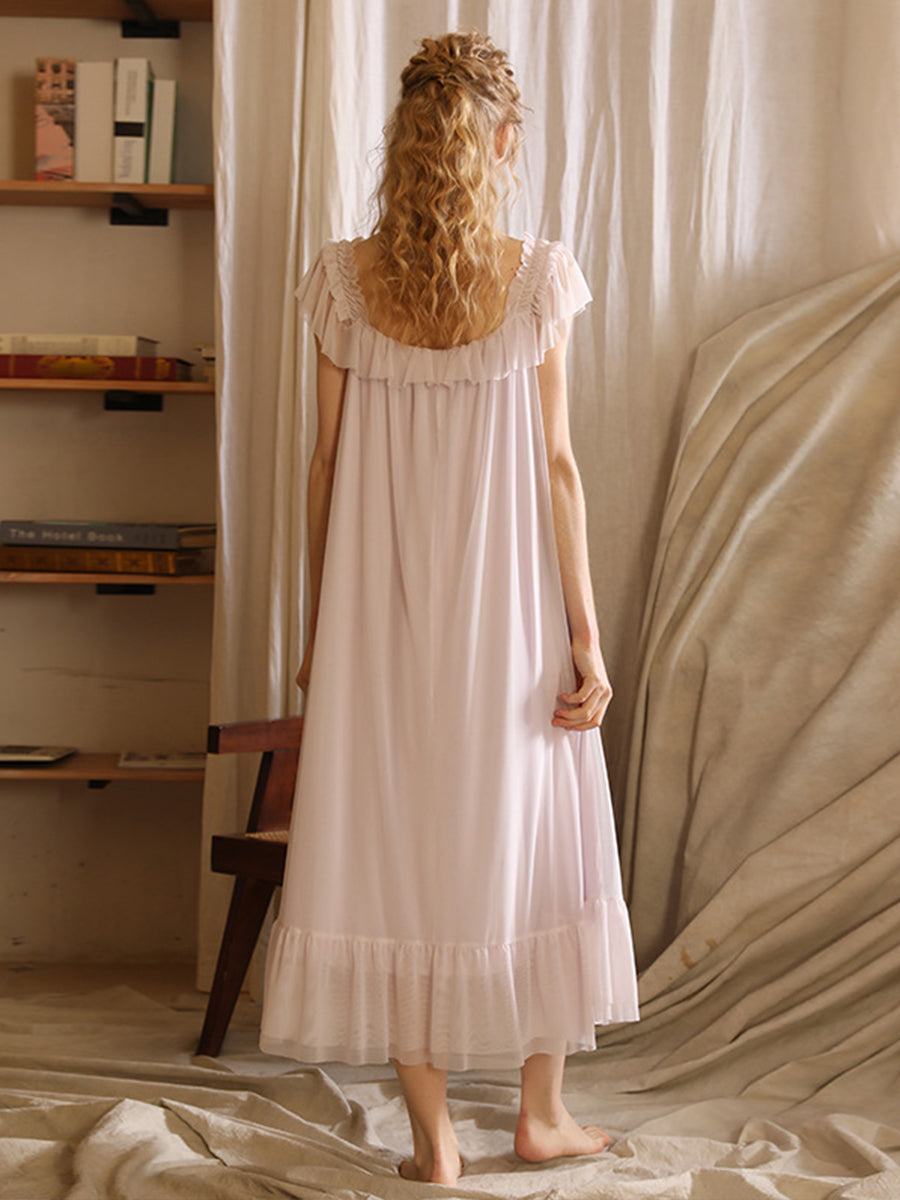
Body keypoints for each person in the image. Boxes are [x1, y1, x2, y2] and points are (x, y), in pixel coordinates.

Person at [259, 30, 640, 1186]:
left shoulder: (342, 279)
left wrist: (323, 637)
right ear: (503, 142)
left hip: (376, 621)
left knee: (394, 846)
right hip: (511, 613)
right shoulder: (536, 278)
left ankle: (434, 1142)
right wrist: (585, 638)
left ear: (406, 142)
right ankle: (540, 1116)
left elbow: (326, 468)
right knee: (538, 837)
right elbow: (559, 468)